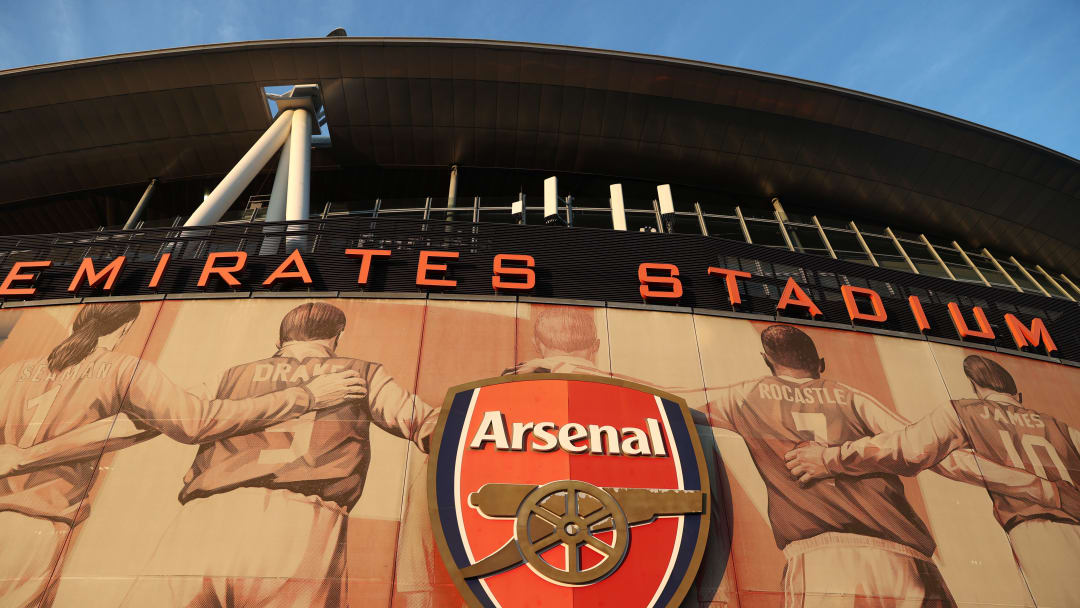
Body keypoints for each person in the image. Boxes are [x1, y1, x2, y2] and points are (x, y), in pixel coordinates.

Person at [0, 302, 366, 608]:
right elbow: (195, 423)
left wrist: (23, 456)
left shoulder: (13, 371)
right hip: (35, 524)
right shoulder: (125, 369)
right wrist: (307, 396)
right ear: (126, 329)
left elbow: (129, 427)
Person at [686, 324, 1079, 608]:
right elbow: (935, 455)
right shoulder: (851, 397)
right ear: (821, 361)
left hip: (820, 558)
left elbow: (680, 411)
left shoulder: (742, 396)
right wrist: (1042, 488)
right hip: (904, 556)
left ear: (766, 361)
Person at [120, 301, 439, 607]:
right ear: (335, 338)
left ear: (279, 340)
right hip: (302, 521)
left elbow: (167, 416)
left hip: (205, 515)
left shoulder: (231, 375)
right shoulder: (360, 373)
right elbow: (425, 423)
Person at [784, 354, 1080, 607]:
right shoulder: (1063, 428)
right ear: (1019, 397)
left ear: (976, 388)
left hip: (1040, 528)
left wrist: (832, 458)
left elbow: (908, 449)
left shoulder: (964, 410)